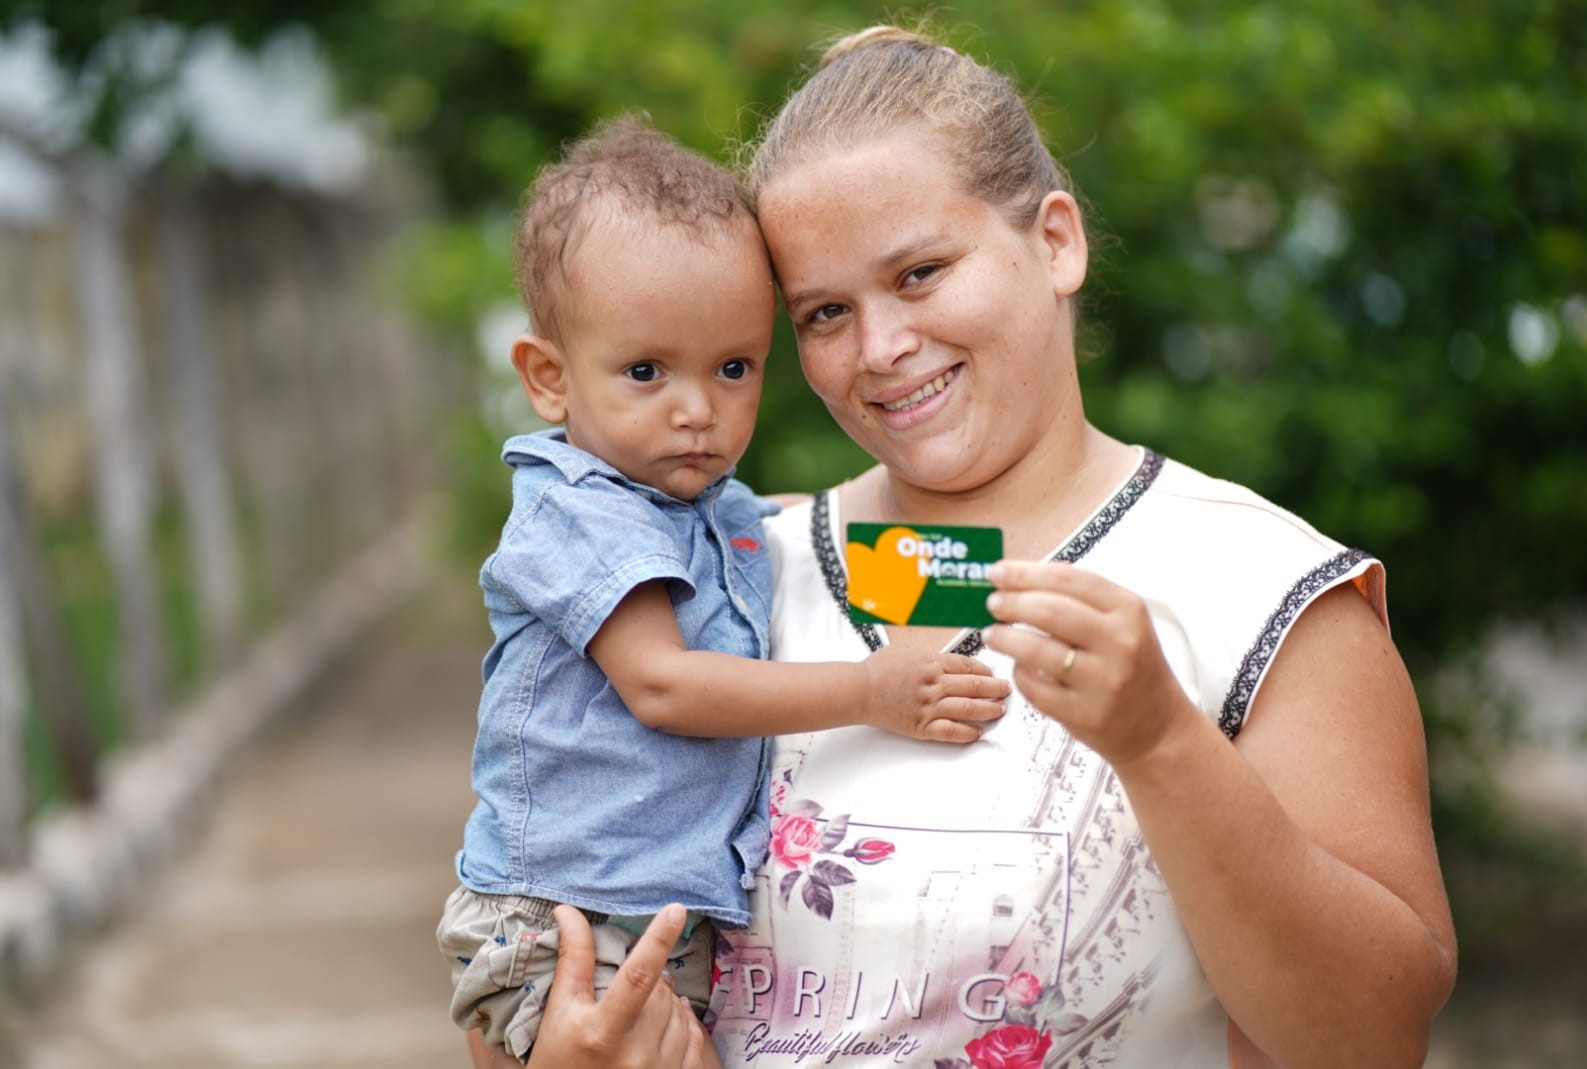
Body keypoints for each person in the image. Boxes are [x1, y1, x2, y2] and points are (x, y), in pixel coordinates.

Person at [482, 26, 1458, 1069]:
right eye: (823, 311)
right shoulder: (722, 572)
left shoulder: (1261, 589)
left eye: (919, 273)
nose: (881, 347)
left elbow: (1370, 1037)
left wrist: (1163, 743)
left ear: (1054, 243)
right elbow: (521, 952)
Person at [438, 114, 1010, 1065]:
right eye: (646, 371)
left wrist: (968, 546)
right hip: (564, 920)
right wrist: (873, 692)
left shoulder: (694, 500)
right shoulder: (581, 512)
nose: (697, 410)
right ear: (548, 377)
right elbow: (665, 684)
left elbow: (791, 525)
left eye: (733, 368)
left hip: (656, 914)